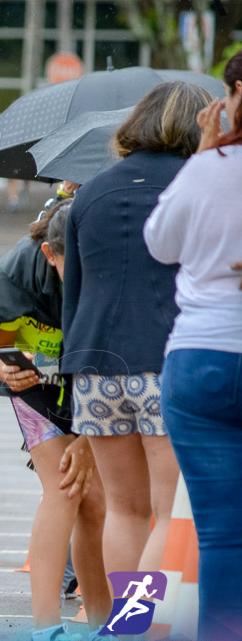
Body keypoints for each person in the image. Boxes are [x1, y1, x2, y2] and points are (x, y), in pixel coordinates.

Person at [62, 81, 212, 577]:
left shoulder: (89, 196)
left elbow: (75, 291)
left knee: (124, 510)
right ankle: (141, 628)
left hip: (95, 366)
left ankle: (124, 634)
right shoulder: (196, 186)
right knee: (169, 513)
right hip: (164, 363)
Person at [143, 50, 242, 641]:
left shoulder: (210, 169)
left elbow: (161, 242)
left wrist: (207, 153)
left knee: (223, 535)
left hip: (202, 356)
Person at [0, 200, 110, 641]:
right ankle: (45, 628)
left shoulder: (107, 264)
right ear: (49, 253)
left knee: (94, 501)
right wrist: (4, 369)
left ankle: (102, 622)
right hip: (32, 385)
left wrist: (87, 437)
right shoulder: (15, 272)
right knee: (65, 487)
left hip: (95, 383)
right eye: (69, 265)